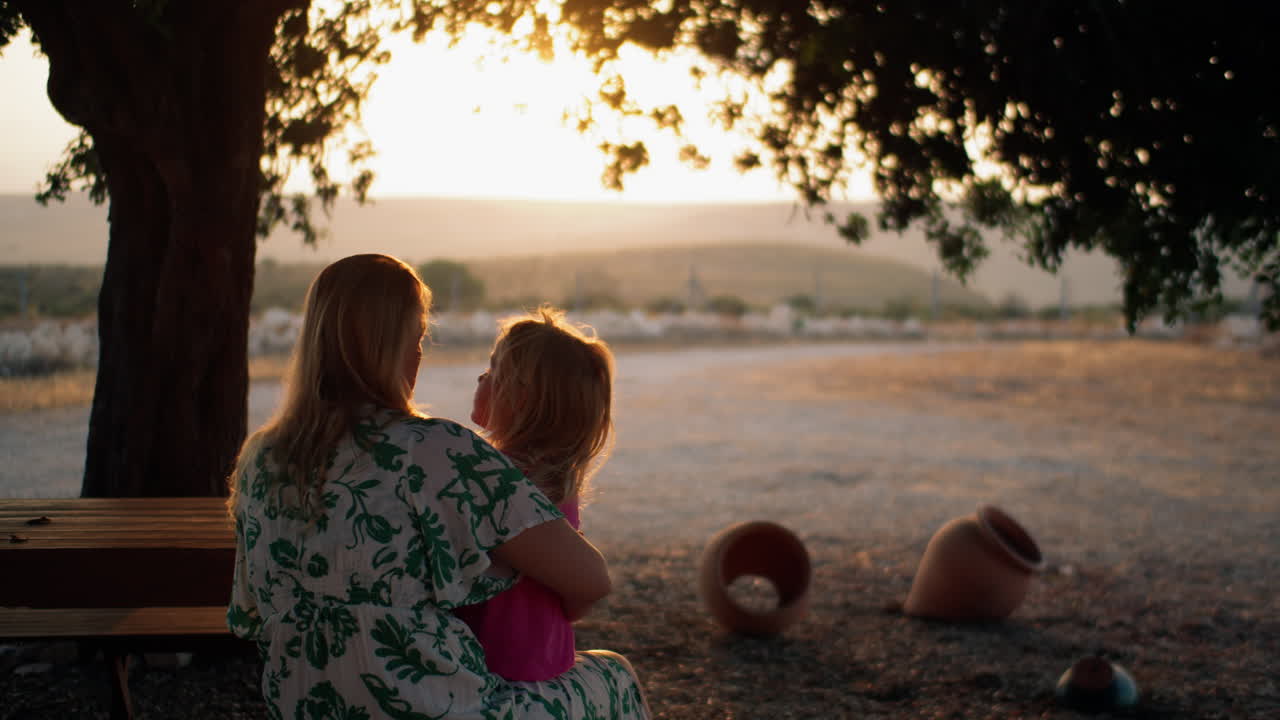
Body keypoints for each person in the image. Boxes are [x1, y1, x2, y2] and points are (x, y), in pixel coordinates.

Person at [226, 254, 649, 720]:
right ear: (397, 345)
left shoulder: (259, 459)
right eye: (419, 336)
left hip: (303, 705)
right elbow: (590, 579)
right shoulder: (433, 452)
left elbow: (251, 612)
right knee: (615, 674)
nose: (419, 352)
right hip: (433, 708)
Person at [454, 306, 615, 682]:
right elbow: (575, 602)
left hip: (491, 666)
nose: (482, 375)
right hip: (549, 663)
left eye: (494, 370)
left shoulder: (491, 473)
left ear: (521, 398)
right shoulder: (559, 482)